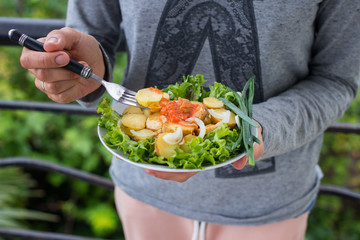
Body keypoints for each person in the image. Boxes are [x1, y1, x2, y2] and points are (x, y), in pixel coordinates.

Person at [19, 0, 360, 239]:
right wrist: (82, 71)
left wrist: (255, 127)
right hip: (144, 197)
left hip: (268, 207)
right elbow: (91, 39)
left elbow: (336, 79)